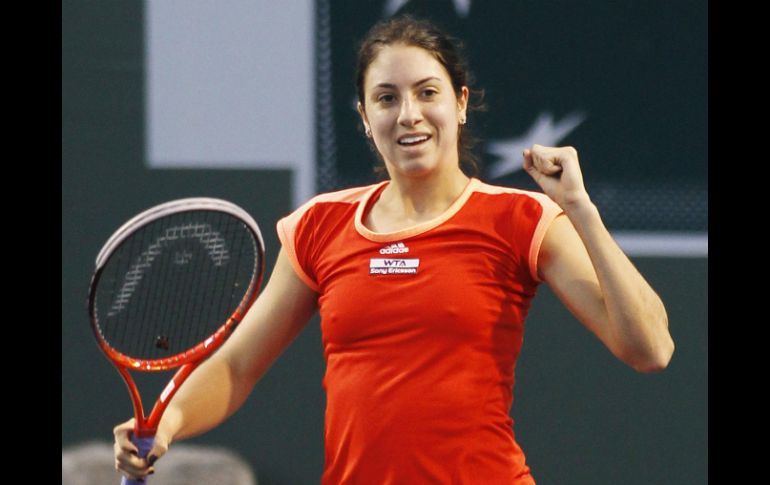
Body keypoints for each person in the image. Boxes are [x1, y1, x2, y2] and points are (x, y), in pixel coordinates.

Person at [113, 15, 674, 484]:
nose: (408, 114)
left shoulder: (520, 219)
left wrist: (581, 209)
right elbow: (237, 367)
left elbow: (650, 349)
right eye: (386, 98)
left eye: (427, 93)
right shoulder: (319, 225)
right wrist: (167, 424)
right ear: (365, 118)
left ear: (460, 103)